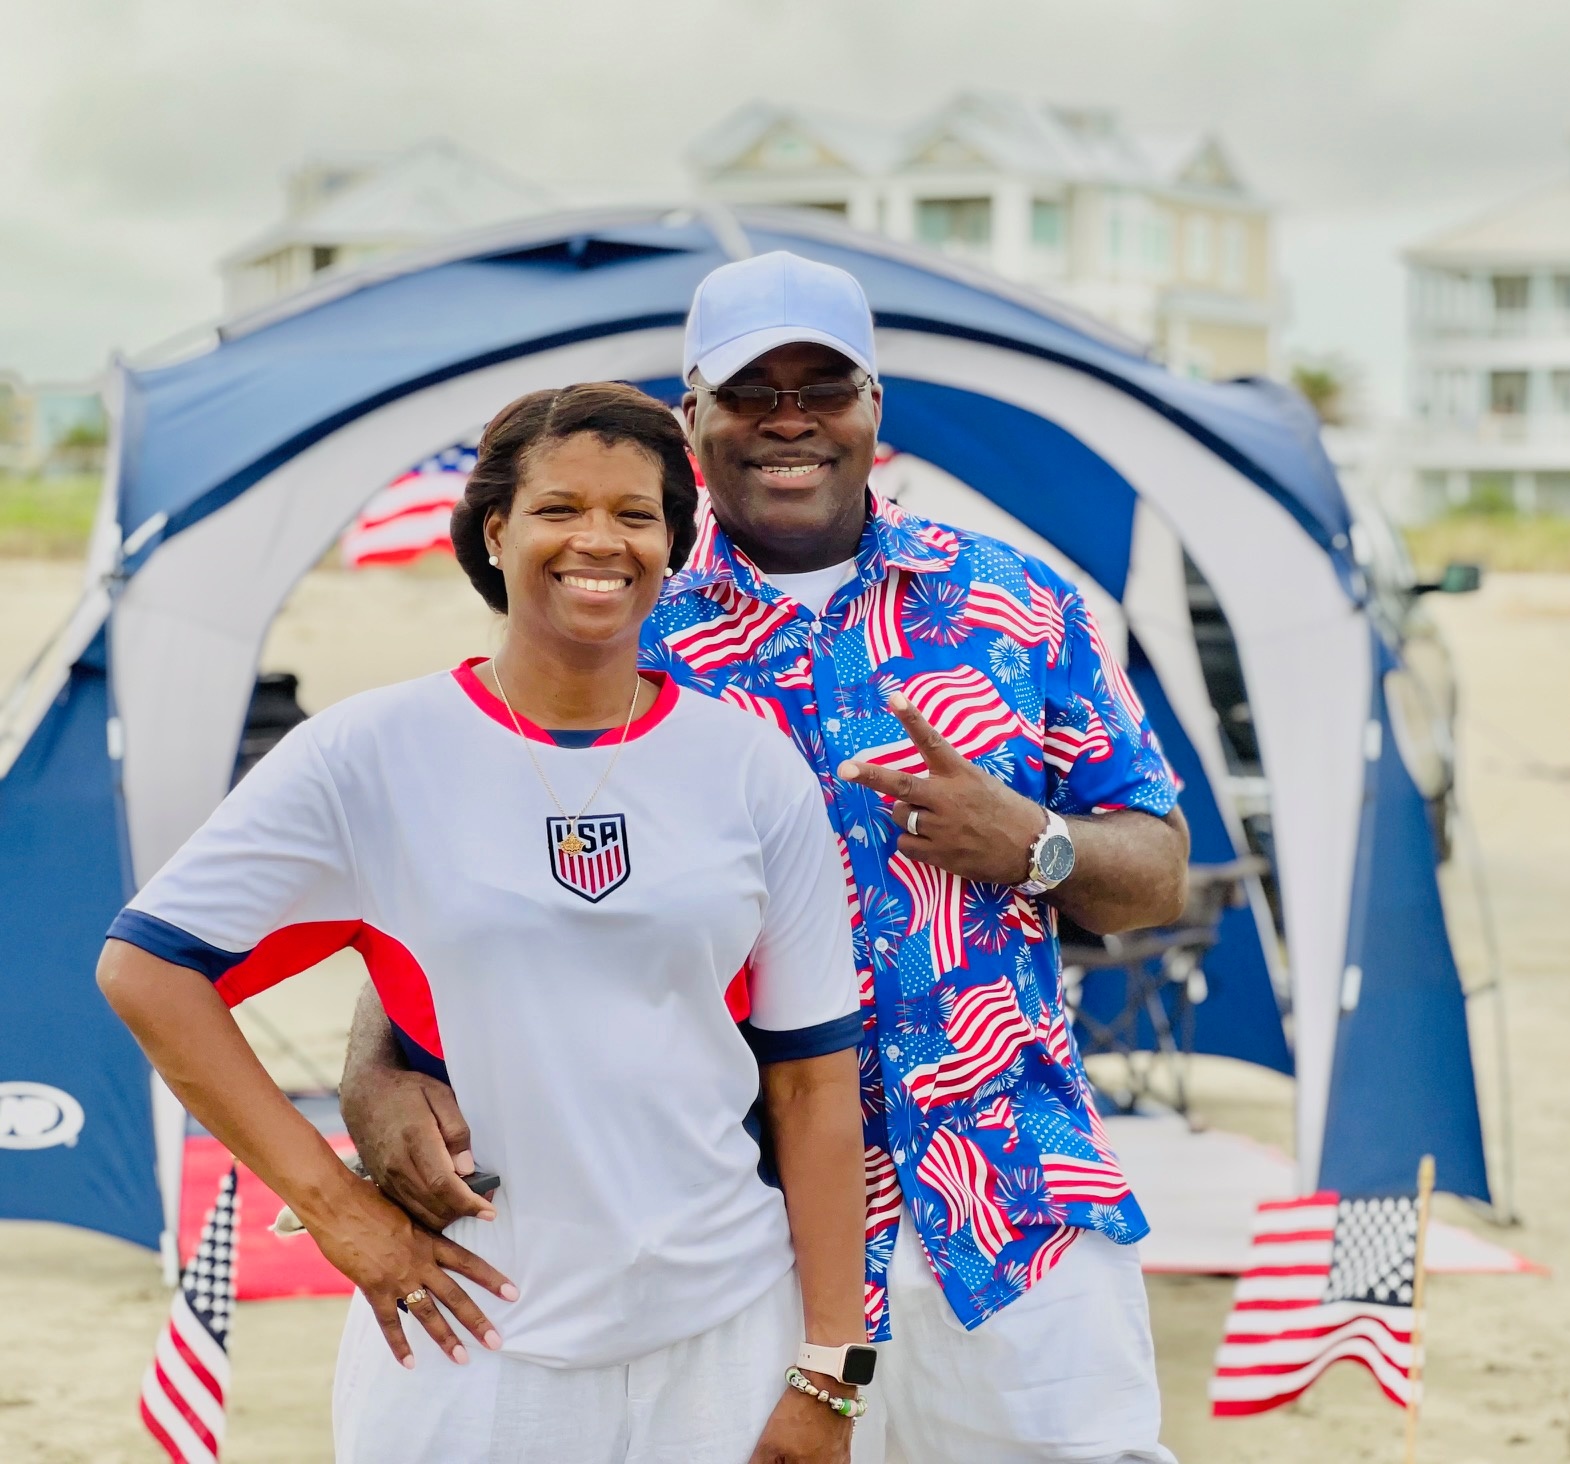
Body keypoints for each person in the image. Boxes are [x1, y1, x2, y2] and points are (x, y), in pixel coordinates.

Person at [343, 253, 1193, 1462]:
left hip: (1013, 1209)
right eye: (750, 391)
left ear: (874, 410)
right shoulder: (626, 622)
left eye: (824, 384)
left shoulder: (1019, 602)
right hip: (733, 1228)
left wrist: (1033, 842)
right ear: (692, 418)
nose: (789, 417)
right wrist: (375, 1067)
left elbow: (1158, 868)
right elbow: (478, 869)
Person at [97, 382, 870, 1464]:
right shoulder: (368, 753)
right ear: (495, 530)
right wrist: (335, 1209)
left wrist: (833, 1372)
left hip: (727, 1331)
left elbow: (812, 1083)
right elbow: (147, 967)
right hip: (470, 1339)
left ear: (671, 546)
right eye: (560, 508)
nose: (598, 540)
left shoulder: (748, 766)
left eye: (635, 515)